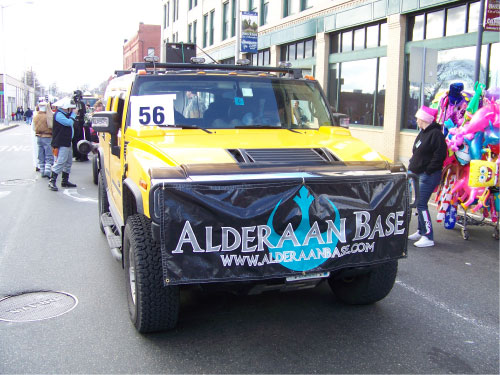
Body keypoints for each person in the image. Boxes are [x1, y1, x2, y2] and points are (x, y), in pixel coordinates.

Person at [408, 105, 447, 248]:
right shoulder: (423, 132)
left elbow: (440, 155)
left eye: (418, 118)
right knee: (419, 203)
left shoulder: (436, 134)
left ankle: (428, 236)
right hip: (418, 174)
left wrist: (429, 170)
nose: (416, 120)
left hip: (428, 175)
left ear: (424, 119)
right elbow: (416, 150)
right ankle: (420, 230)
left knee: (421, 204)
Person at [49, 97, 78, 191]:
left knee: (68, 162)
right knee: (61, 161)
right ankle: (52, 181)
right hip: (61, 142)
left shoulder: (64, 114)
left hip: (66, 141)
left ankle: (64, 181)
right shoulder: (59, 115)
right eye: (71, 107)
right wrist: (74, 114)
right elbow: (69, 123)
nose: (72, 109)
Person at [33, 101, 53, 178]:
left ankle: (42, 170)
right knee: (48, 153)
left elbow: (34, 128)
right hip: (47, 136)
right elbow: (51, 126)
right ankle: (47, 171)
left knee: (41, 153)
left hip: (39, 136)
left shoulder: (36, 116)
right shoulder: (48, 116)